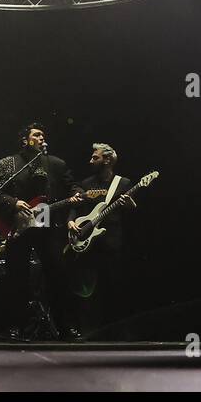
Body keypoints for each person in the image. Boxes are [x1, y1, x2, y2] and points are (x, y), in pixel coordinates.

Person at [0, 123, 82, 339]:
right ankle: (15, 326)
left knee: (56, 274)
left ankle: (64, 326)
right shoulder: (8, 163)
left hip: (46, 221)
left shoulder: (55, 164)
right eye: (36, 135)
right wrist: (14, 203)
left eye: (43, 135)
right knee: (16, 277)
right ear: (24, 140)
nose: (42, 138)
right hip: (17, 225)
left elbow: (73, 187)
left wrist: (78, 194)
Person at [73, 142, 137, 338]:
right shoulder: (86, 184)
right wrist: (70, 222)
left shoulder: (123, 184)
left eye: (95, 157)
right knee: (89, 292)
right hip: (89, 246)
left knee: (116, 288)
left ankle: (118, 331)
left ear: (107, 160)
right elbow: (76, 207)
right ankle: (90, 331)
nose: (90, 160)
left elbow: (135, 217)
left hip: (113, 243)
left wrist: (131, 206)